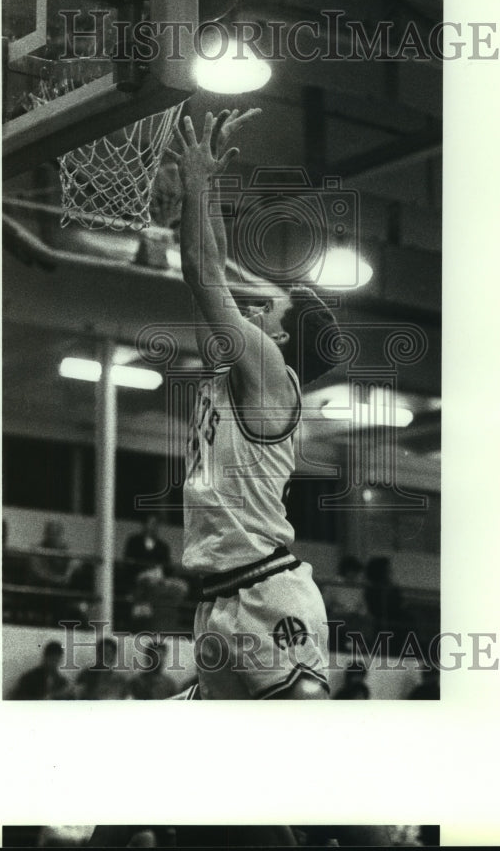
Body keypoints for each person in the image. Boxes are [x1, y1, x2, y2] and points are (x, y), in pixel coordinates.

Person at [166, 109, 341, 700]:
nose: (259, 306)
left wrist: (194, 185)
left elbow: (203, 271)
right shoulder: (238, 370)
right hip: (222, 593)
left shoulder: (269, 369)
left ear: (282, 339)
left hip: (266, 590)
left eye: (272, 308)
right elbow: (204, 275)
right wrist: (209, 185)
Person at [8, 640, 75, 700]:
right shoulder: (30, 678)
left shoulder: (61, 681)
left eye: (57, 660)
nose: (55, 664)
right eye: (52, 660)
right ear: (45, 658)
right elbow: (18, 699)